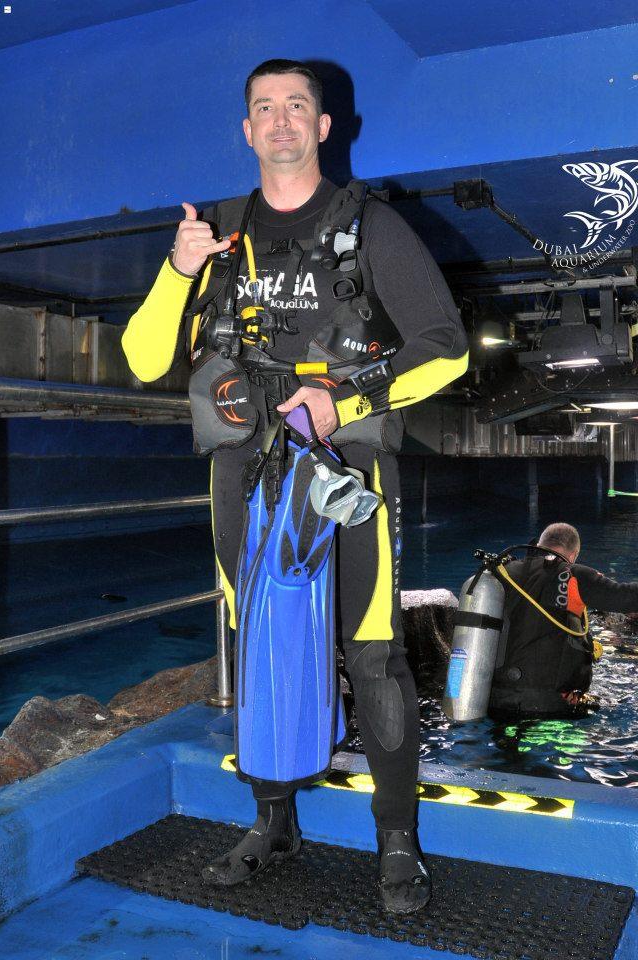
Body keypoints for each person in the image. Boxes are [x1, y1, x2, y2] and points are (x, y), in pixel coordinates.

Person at [122, 58, 469, 914]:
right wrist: (176, 269)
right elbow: (141, 360)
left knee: (374, 651)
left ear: (323, 126)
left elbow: (446, 348)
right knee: (258, 644)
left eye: (296, 108)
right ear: (247, 129)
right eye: (263, 108)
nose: (279, 121)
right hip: (244, 472)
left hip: (347, 469)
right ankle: (272, 822)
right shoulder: (217, 239)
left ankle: (396, 844)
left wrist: (348, 397)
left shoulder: (372, 226)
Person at [489, 522, 638, 719]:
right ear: (574, 554)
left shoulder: (503, 571)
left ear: (539, 545)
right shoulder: (573, 576)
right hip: (550, 705)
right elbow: (626, 597)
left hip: (493, 700)